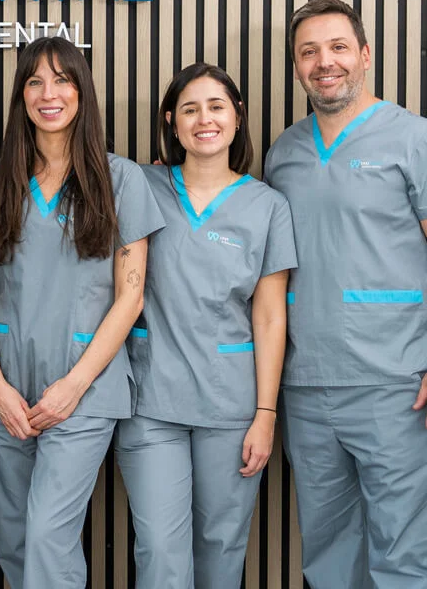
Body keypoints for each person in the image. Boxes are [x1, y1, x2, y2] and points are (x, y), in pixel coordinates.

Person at [0, 36, 163, 589]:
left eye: (62, 80)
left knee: (48, 536)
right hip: (7, 386)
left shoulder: (120, 179)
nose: (48, 94)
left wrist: (73, 387)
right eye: (34, 82)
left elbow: (130, 297)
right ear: (20, 96)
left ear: (82, 92)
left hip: (85, 388)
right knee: (15, 539)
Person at [263, 0, 427, 588]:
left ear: (365, 54)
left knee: (403, 550)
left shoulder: (413, 139)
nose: (324, 62)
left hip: (395, 382)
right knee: (328, 552)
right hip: (306, 385)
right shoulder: (283, 153)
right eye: (308, 52)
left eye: (337, 47)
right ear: (297, 67)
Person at [115, 63, 295, 589]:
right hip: (151, 402)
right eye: (190, 110)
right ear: (172, 123)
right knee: (159, 549)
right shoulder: (139, 184)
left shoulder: (268, 206)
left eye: (216, 107)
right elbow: (68, 177)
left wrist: (265, 415)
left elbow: (269, 315)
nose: (204, 120)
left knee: (221, 546)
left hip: (231, 407)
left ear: (237, 116)